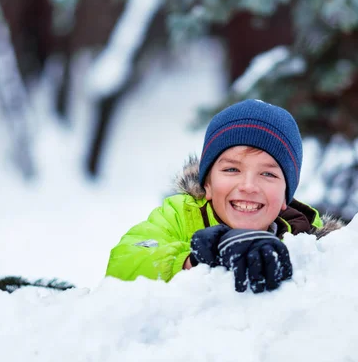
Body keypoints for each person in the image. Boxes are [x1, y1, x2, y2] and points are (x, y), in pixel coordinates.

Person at [105, 99, 343, 293]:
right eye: (231, 169)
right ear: (207, 183)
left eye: (267, 174)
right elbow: (123, 265)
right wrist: (195, 261)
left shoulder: (312, 241)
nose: (248, 186)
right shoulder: (180, 215)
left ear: (285, 196)